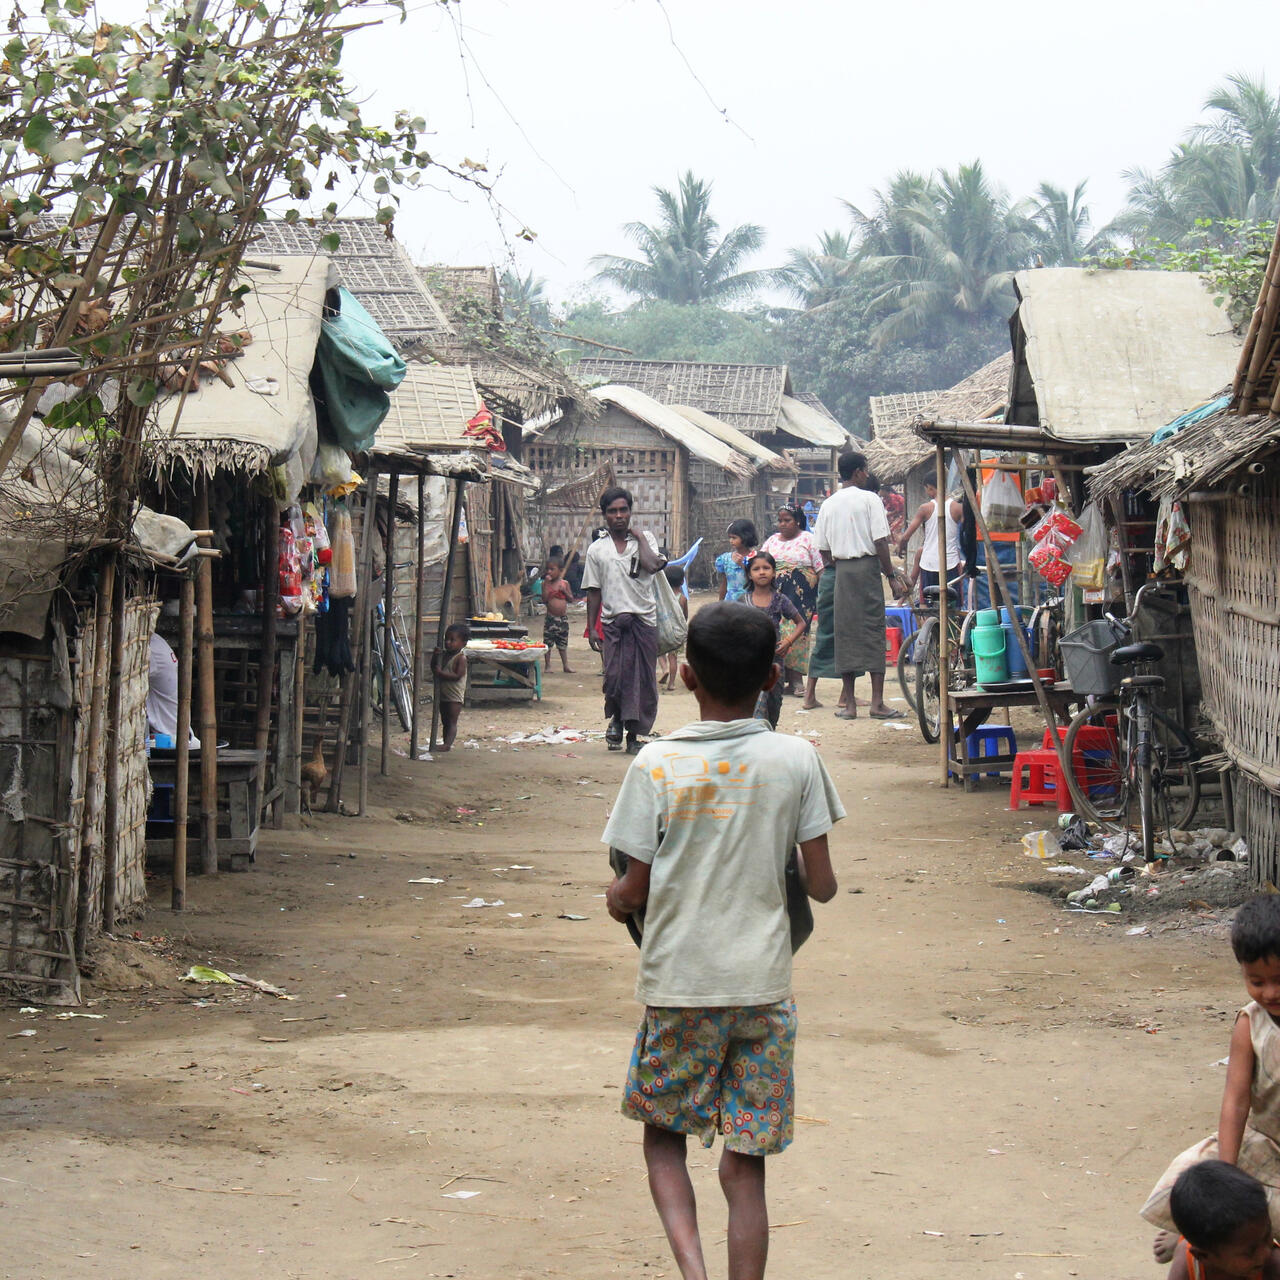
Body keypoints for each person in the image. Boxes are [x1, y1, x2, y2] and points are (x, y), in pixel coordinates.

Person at [603, 602, 843, 1280]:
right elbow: (821, 886)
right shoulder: (796, 759)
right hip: (763, 990)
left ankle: (694, 1274)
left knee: (663, 1140)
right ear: (774, 677)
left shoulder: (656, 765)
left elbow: (634, 887)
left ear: (683, 676)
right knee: (745, 1165)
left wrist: (617, 901)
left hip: (681, 987)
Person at [1143, 896, 1280, 1263]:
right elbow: (1236, 1102)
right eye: (1257, 981)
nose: (1270, 992)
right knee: (1192, 1171)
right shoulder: (1250, 1024)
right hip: (1265, 1145)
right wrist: (1226, 1176)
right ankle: (1193, 1233)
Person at [814, 451, 909, 720]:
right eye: (865, 470)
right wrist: (890, 575)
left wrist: (839, 562)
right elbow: (880, 540)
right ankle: (877, 703)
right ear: (858, 472)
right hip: (867, 569)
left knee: (845, 633)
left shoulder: (829, 504)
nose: (867, 474)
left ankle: (850, 706)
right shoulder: (870, 499)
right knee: (872, 630)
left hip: (841, 571)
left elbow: (822, 550)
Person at [582, 487, 667, 754]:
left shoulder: (646, 540)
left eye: (623, 510)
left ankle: (633, 736)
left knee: (643, 682)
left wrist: (639, 536)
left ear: (630, 511)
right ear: (604, 515)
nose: (619, 516)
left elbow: (652, 565)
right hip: (613, 624)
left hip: (644, 623)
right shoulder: (597, 549)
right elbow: (594, 591)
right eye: (612, 511)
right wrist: (591, 628)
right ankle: (617, 720)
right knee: (615, 678)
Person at [1165, 1162, 1280, 1280]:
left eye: (1267, 1236)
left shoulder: (1274, 1267)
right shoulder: (1187, 1265)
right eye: (1250, 1252)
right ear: (1203, 1256)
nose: (1265, 1253)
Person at [760, 506, 824, 698]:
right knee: (775, 633)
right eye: (780, 521)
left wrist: (822, 594)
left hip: (801, 597)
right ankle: (780, 679)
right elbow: (759, 562)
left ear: (797, 521)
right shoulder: (771, 541)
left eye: (787, 520)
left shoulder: (808, 540)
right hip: (775, 596)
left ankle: (796, 681)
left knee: (797, 634)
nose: (782, 524)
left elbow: (820, 569)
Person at [744, 552, 806, 729]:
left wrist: (788, 641)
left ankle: (770, 734)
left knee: (773, 702)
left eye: (766, 568)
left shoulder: (780, 600)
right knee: (752, 702)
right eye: (756, 569)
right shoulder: (743, 601)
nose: (761, 572)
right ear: (750, 574)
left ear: (773, 572)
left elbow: (801, 623)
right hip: (750, 662)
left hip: (775, 661)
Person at [897, 479, 964, 597]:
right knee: (952, 603)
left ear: (930, 488)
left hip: (929, 563)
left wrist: (901, 548)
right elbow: (967, 534)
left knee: (928, 604)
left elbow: (906, 536)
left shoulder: (925, 508)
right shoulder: (958, 508)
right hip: (951, 562)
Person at [430, 622, 470, 752]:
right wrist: (435, 656)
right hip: (443, 693)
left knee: (452, 721)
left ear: (463, 643)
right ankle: (444, 741)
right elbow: (434, 667)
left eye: (453, 640)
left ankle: (447, 744)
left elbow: (457, 675)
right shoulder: (444, 654)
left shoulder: (461, 658)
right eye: (446, 639)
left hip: (454, 695)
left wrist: (440, 673)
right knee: (445, 720)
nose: (448, 642)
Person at [541, 557, 574, 674]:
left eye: (552, 569)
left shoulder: (565, 584)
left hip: (563, 619)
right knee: (548, 643)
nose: (548, 572)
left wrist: (564, 591)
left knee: (563, 642)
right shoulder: (546, 584)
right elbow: (544, 599)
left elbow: (571, 599)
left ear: (560, 570)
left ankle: (566, 665)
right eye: (547, 569)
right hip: (551, 618)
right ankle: (547, 665)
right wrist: (546, 585)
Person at [658, 563, 687, 693]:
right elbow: (684, 616)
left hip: (663, 630)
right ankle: (671, 683)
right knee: (673, 657)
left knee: (659, 652)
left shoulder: (663, 598)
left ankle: (665, 669)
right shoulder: (682, 598)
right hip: (676, 632)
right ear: (682, 581)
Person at [714, 519, 757, 603]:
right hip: (730, 604)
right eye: (730, 537)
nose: (731, 541)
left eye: (734, 538)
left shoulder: (756, 558)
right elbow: (724, 584)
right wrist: (720, 605)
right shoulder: (725, 559)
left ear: (746, 536)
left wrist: (743, 566)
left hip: (750, 603)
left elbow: (758, 581)